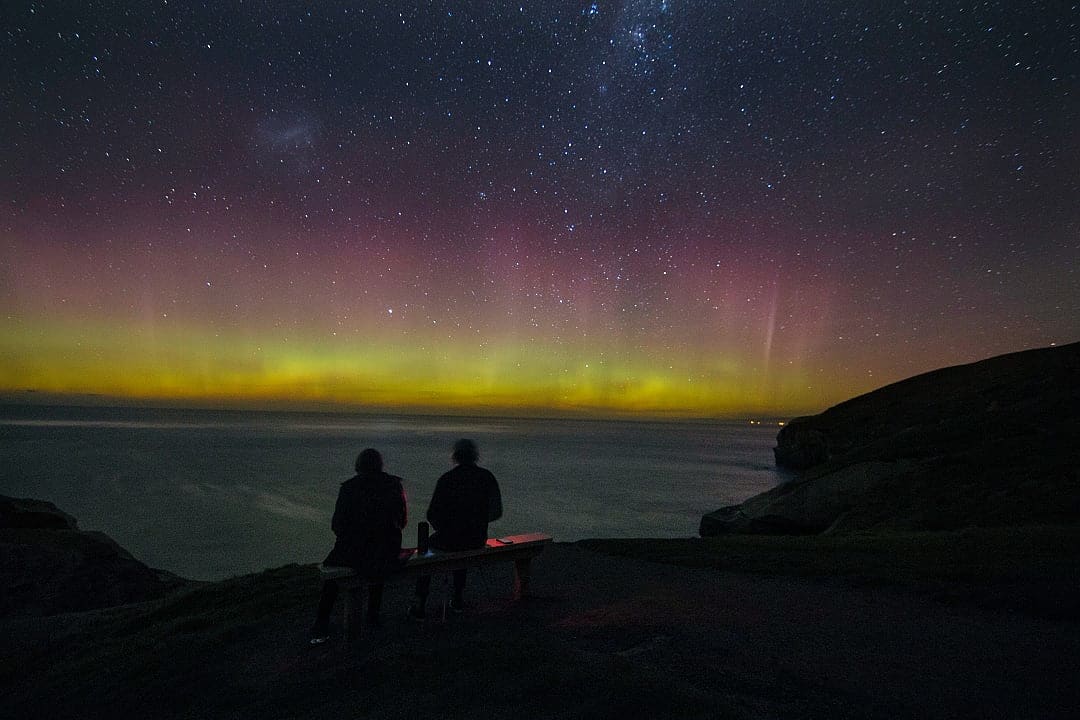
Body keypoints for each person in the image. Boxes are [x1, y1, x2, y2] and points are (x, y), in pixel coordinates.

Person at [310, 448, 407, 644]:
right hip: (386, 549)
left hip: (355, 550)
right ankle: (373, 615)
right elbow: (402, 520)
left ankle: (321, 622)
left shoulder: (348, 488)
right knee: (379, 554)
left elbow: (337, 525)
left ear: (358, 466)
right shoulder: (394, 485)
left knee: (332, 571)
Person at [409, 438, 502, 619]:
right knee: (462, 546)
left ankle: (420, 603)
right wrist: (479, 521)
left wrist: (444, 527)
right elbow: (497, 511)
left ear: (456, 456)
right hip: (476, 538)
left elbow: (431, 514)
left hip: (450, 539)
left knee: (425, 550)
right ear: (475, 456)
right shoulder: (487, 477)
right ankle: (458, 597)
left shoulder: (447, 479)